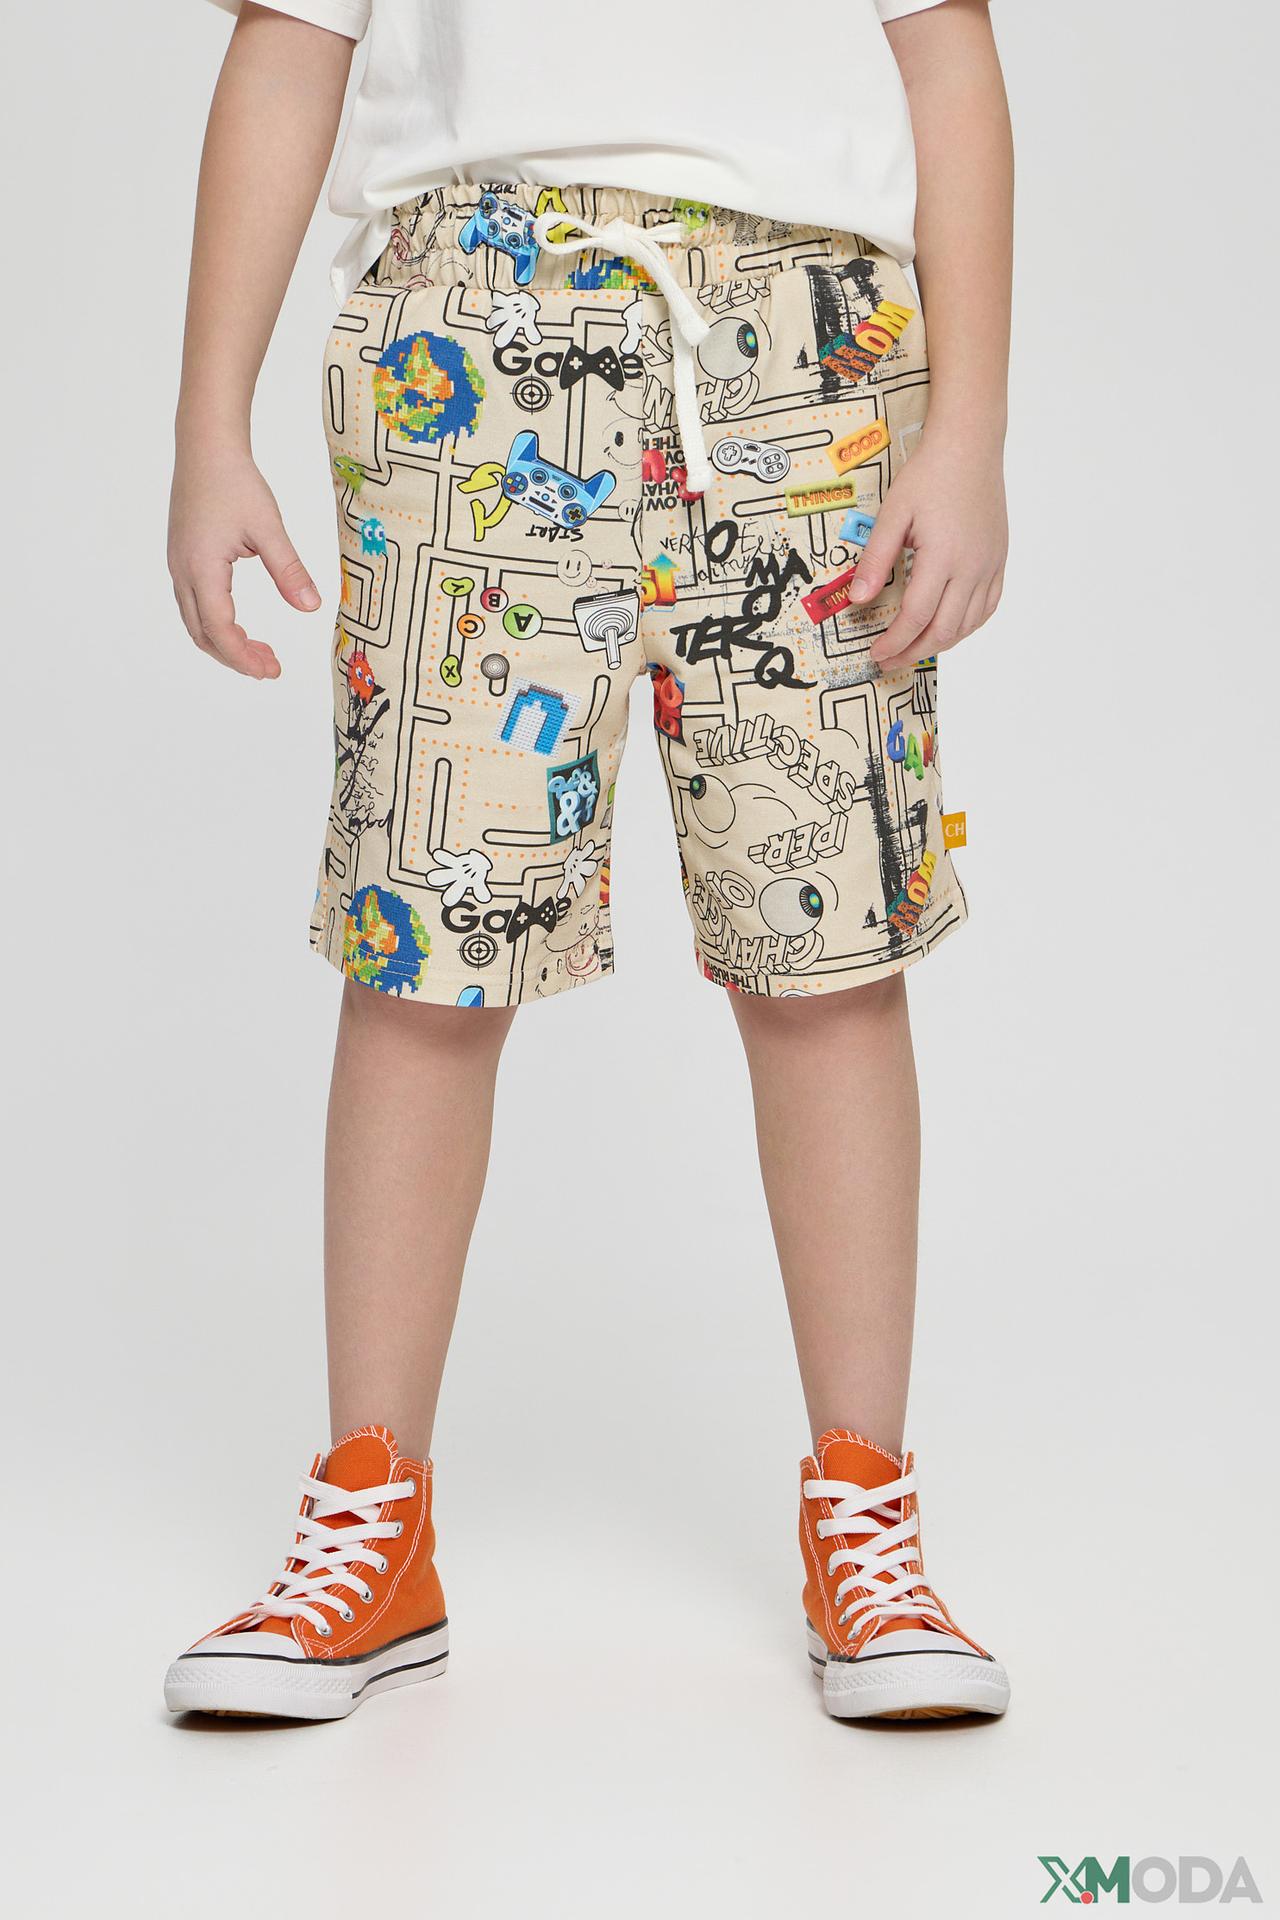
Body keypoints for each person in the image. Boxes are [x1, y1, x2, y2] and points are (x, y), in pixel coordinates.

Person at [163, 0, 1014, 1724]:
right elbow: (286, 45)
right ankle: (373, 1521)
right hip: (470, 338)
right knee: (428, 945)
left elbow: (947, 54)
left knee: (827, 953)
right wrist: (206, 428)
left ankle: (867, 1519)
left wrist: (973, 433)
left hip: (808, 354)